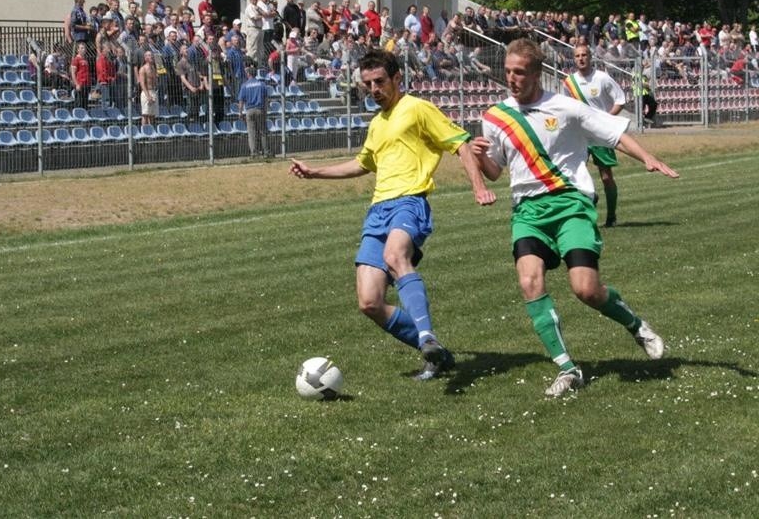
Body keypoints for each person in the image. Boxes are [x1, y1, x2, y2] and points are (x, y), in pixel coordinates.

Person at [474, 38, 679, 397]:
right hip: (528, 212)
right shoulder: (495, 117)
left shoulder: (566, 107)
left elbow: (614, 135)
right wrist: (478, 156)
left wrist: (647, 158)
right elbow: (494, 171)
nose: (512, 79)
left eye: (519, 72)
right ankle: (567, 369)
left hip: (571, 204)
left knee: (586, 289)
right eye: (508, 71)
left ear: (537, 73)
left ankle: (636, 325)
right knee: (529, 283)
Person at [289, 50, 495, 381]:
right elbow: (362, 164)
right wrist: (315, 173)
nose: (374, 89)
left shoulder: (417, 108)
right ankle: (436, 352)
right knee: (369, 302)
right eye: (368, 83)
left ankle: (426, 335)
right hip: (377, 211)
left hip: (410, 202)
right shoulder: (376, 124)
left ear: (397, 78)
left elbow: (460, 144)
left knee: (395, 255)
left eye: (380, 82)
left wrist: (478, 187)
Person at [562, 44, 627, 227]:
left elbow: (620, 100)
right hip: (579, 135)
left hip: (599, 135)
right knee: (572, 175)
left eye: (584, 55)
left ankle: (612, 216)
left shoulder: (602, 78)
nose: (581, 58)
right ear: (573, 59)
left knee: (606, 177)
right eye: (577, 56)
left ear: (590, 57)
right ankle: (591, 195)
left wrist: (605, 120)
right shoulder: (569, 82)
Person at [237, 66, 271, 158]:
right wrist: (266, 110)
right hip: (260, 109)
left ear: (248, 74)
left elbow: (241, 100)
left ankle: (254, 153)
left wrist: (240, 112)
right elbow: (266, 99)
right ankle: (266, 152)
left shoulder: (244, 85)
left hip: (249, 110)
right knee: (263, 131)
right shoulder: (262, 84)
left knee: (251, 133)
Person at [138, 50, 158, 125]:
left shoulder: (153, 68)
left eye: (151, 55)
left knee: (152, 115)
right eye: (149, 55)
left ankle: (151, 133)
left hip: (153, 91)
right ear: (145, 58)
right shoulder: (143, 69)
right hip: (146, 93)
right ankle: (144, 132)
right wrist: (148, 96)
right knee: (145, 114)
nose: (151, 56)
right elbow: (142, 84)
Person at [70, 42, 92, 109]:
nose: (83, 49)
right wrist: (77, 84)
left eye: (84, 48)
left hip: (86, 84)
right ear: (78, 50)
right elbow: (73, 73)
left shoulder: (85, 60)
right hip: (80, 83)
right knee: (79, 103)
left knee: (85, 103)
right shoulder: (76, 59)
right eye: (81, 48)